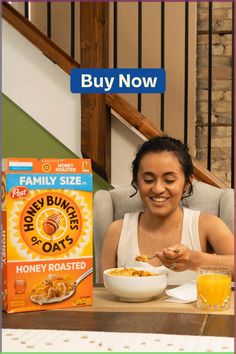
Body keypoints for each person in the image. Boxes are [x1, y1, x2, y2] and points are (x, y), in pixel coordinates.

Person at [100, 136, 234, 285]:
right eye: (148, 180)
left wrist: (193, 260)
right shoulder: (117, 231)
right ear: (136, 182)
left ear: (187, 184)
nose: (158, 189)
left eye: (169, 180)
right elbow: (104, 291)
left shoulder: (207, 225)